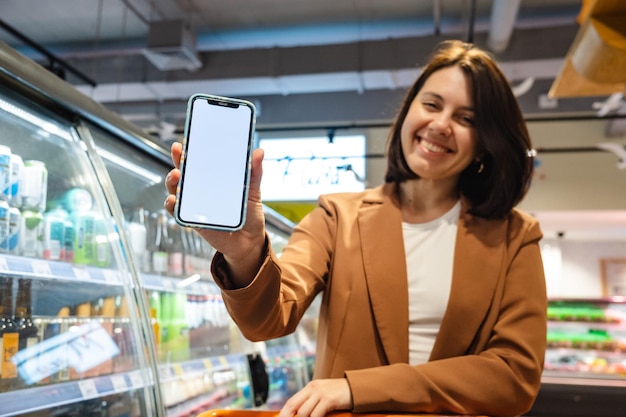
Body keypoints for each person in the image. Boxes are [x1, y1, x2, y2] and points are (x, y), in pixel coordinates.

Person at [164, 40, 547, 417]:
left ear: (485, 141)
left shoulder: (516, 237)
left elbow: (515, 377)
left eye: (466, 118)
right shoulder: (338, 217)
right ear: (408, 111)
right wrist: (244, 254)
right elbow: (269, 319)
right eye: (431, 104)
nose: (442, 125)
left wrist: (356, 388)